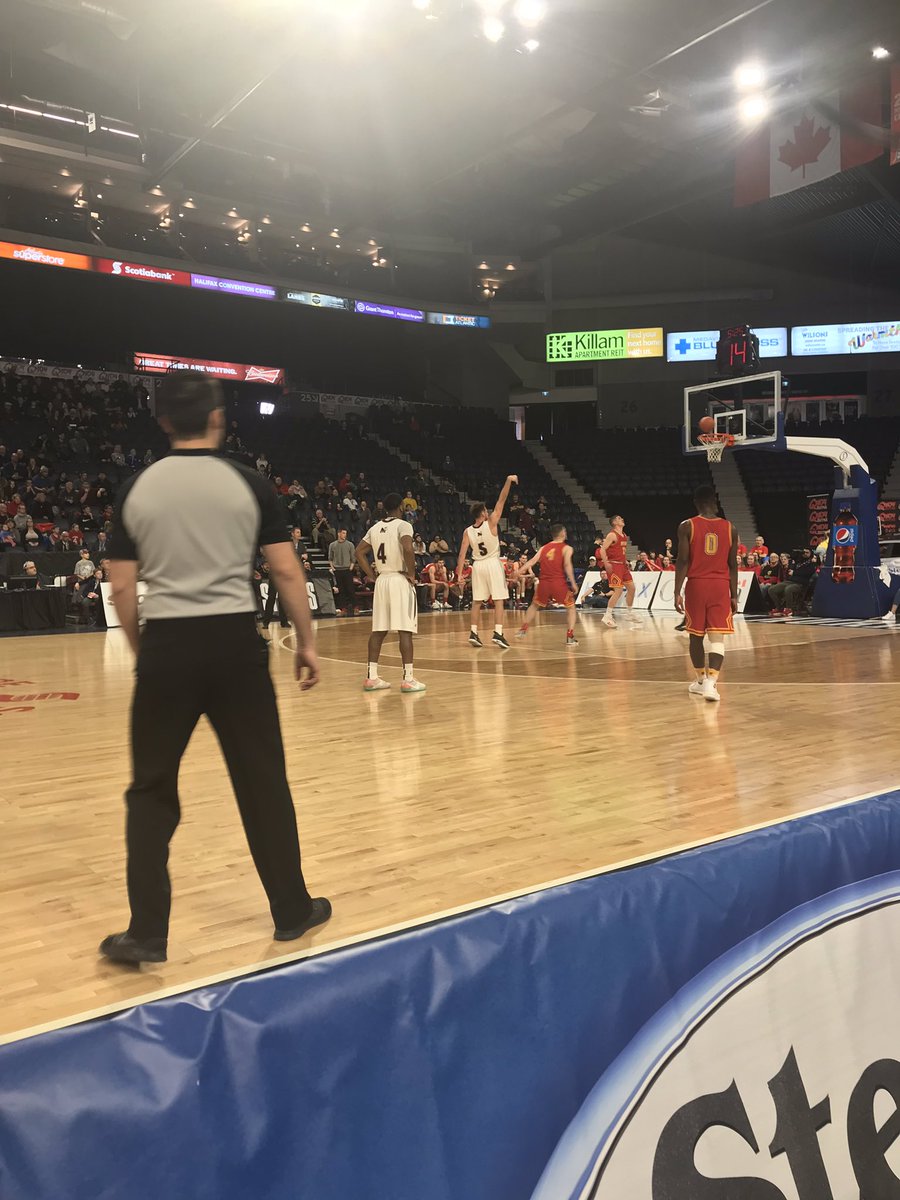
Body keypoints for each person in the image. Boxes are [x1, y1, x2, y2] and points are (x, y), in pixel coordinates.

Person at [102, 372, 329, 966]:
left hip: (167, 650)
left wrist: (141, 649)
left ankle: (146, 932)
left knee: (150, 792)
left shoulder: (136, 488)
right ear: (218, 418)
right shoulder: (248, 484)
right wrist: (306, 641)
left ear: (163, 422)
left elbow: (122, 585)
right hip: (235, 646)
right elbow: (285, 572)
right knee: (262, 781)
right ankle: (291, 910)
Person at [355, 493, 425, 693]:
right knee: (405, 630)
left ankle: (371, 677)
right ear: (402, 507)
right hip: (398, 579)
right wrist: (412, 574)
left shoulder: (374, 528)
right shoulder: (403, 525)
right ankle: (408, 679)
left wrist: (371, 576)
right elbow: (408, 548)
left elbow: (359, 552)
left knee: (378, 630)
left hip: (382, 580)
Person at [674, 484, 738, 703]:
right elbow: (733, 565)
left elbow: (682, 561)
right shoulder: (731, 528)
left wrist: (676, 592)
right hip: (720, 585)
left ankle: (701, 681)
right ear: (715, 502)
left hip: (697, 585)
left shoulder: (687, 526)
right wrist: (734, 594)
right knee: (717, 637)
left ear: (696, 503)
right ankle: (712, 683)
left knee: (696, 635)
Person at [456, 475, 517, 650]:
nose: (488, 511)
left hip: (477, 565)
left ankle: (473, 633)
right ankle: (498, 632)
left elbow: (461, 555)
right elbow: (502, 500)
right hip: (491, 563)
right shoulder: (491, 523)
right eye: (485, 510)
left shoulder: (467, 531)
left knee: (477, 601)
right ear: (483, 513)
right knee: (498, 600)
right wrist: (508, 480)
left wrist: (459, 575)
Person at [516, 525, 579, 647]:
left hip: (543, 583)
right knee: (571, 608)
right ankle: (570, 637)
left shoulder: (544, 547)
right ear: (562, 533)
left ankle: (523, 629)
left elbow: (532, 561)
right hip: (558, 583)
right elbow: (567, 565)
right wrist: (573, 582)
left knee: (534, 605)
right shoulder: (567, 548)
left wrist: (519, 571)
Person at [599, 515, 637, 629]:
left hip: (622, 565)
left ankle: (629, 613)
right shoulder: (612, 535)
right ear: (615, 522)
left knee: (632, 588)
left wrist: (625, 561)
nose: (622, 519)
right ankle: (607, 615)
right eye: (620, 518)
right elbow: (602, 550)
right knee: (618, 591)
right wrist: (606, 563)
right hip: (614, 565)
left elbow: (621, 551)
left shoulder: (624, 535)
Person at [328, 527, 357, 616]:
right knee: (341, 590)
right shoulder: (332, 545)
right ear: (339, 533)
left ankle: (355, 607)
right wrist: (332, 567)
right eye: (343, 533)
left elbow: (353, 557)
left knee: (350, 589)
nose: (345, 535)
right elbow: (330, 558)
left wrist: (351, 567)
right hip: (338, 570)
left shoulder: (350, 544)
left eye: (345, 533)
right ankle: (343, 608)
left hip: (347, 569)